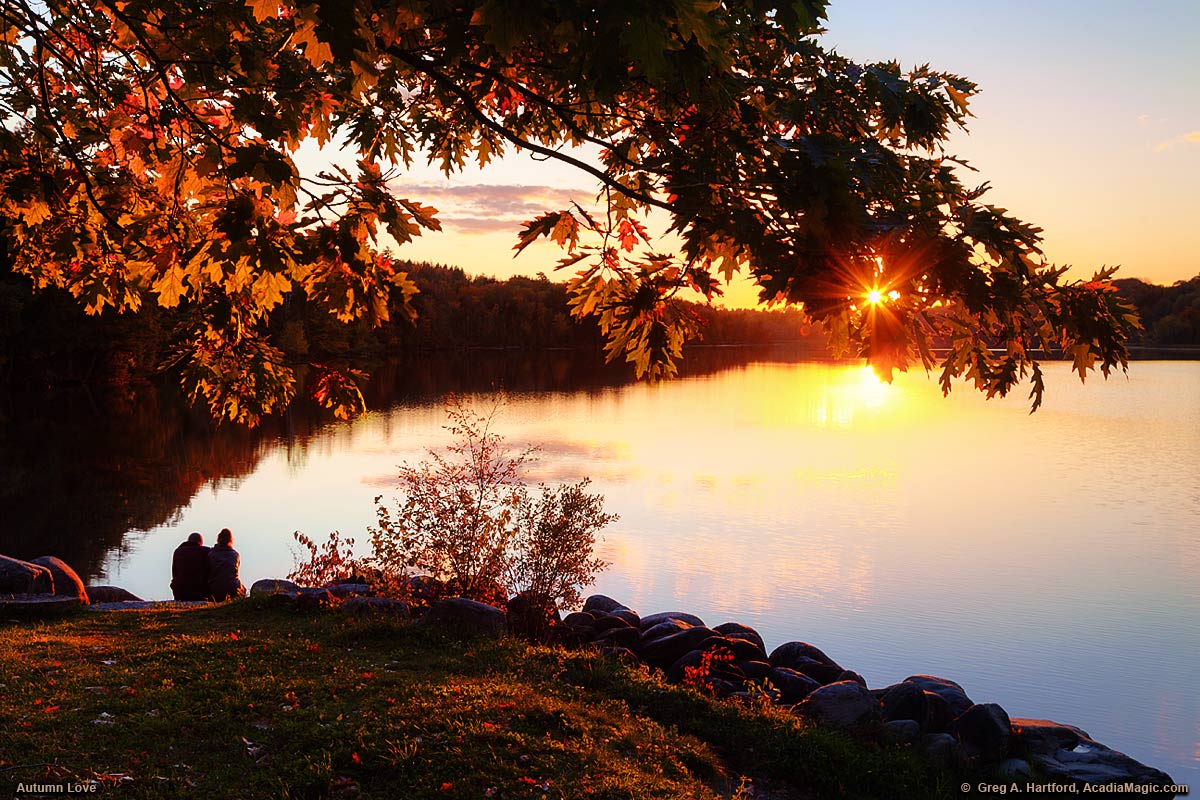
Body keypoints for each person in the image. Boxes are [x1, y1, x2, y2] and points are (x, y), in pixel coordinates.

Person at [207, 528, 246, 601]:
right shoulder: (235, 555)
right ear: (231, 540)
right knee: (242, 587)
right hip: (233, 590)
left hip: (214, 590)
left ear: (218, 539)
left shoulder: (211, 554)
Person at [170, 532, 210, 601]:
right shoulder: (206, 551)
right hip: (201, 591)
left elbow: (174, 574)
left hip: (181, 592)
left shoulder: (178, 552)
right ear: (200, 543)